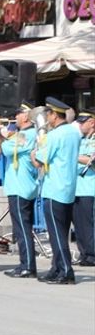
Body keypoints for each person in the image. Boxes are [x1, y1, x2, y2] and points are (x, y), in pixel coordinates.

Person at [33, 98, 82, 284]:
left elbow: (39, 161)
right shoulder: (74, 132)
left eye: (48, 115)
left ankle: (66, 271)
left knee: (57, 235)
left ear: (54, 115)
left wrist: (35, 151)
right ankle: (56, 268)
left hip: (54, 189)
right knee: (61, 232)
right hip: (68, 188)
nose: (47, 119)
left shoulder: (54, 135)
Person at [0, 102, 41, 278]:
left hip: (21, 187)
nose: (15, 117)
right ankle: (24, 264)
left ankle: (28, 266)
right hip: (20, 186)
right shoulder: (22, 134)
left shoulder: (27, 134)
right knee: (21, 229)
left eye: (18, 113)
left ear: (26, 116)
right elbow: (7, 145)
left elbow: (1, 150)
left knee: (22, 229)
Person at [75, 109, 95, 267]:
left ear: (92, 122)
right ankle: (84, 254)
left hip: (89, 188)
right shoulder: (79, 140)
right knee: (79, 225)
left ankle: (92, 255)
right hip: (76, 188)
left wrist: (73, 156)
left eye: (83, 122)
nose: (80, 125)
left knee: (89, 225)